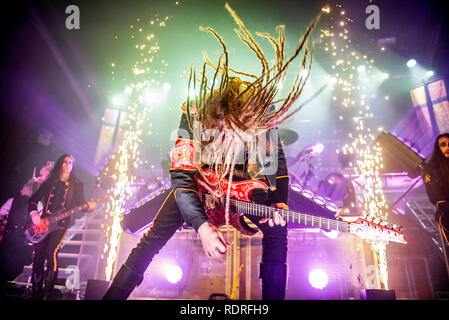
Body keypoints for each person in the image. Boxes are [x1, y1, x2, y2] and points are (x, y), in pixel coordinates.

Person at [103, 4, 320, 300]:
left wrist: (279, 202)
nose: (229, 138)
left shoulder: (259, 112)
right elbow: (181, 178)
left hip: (241, 183)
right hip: (198, 182)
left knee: (277, 228)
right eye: (221, 131)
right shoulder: (193, 114)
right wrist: (203, 226)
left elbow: (276, 164)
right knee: (152, 238)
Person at [27, 154, 96, 300]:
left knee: (51, 252)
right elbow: (33, 200)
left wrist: (89, 207)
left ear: (73, 166)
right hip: (44, 223)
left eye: (70, 162)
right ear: (60, 164)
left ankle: (48, 292)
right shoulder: (50, 181)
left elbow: (81, 204)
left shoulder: (77, 184)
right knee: (38, 255)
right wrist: (34, 215)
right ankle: (36, 289)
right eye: (65, 161)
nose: (67, 164)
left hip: (61, 224)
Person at [0, 161, 53, 296]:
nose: (21, 187)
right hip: (9, 242)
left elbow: (39, 227)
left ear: (30, 188)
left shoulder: (37, 205)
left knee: (12, 272)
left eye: (25, 185)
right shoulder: (14, 200)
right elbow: (1, 215)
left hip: (20, 245)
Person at [423, 133, 449, 244]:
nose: (448, 147)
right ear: (438, 148)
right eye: (443, 145)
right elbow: (436, 196)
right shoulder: (432, 168)